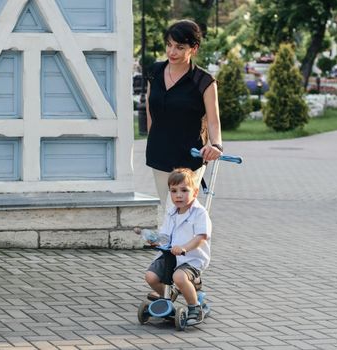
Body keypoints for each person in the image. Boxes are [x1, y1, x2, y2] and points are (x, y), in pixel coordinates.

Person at [145, 19, 223, 207]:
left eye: (179, 47)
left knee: (184, 210)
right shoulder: (154, 72)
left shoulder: (204, 81)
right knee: (168, 209)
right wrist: (152, 138)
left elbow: (213, 121)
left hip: (190, 157)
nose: (172, 52)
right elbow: (150, 109)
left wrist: (217, 146)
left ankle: (196, 237)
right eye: (169, 45)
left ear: (193, 49)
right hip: (160, 154)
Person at [141, 168, 212, 322]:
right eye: (173, 191)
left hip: (191, 259)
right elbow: (165, 236)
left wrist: (184, 248)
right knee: (151, 276)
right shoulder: (172, 212)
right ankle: (168, 294)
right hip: (169, 256)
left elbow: (201, 237)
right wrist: (155, 240)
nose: (178, 195)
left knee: (179, 276)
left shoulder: (200, 213)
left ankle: (195, 307)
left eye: (184, 190)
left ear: (195, 191)